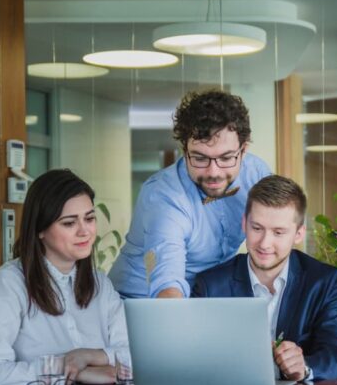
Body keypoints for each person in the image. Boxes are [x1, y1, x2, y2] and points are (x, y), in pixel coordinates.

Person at [0, 169, 129, 385]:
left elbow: (134, 355)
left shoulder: (100, 284)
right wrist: (69, 370)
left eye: (89, 218)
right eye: (69, 223)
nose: (84, 231)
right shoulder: (8, 284)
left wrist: (90, 356)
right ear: (40, 230)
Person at [109, 89, 271, 299]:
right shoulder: (164, 196)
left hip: (203, 297)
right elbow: (167, 283)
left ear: (244, 150)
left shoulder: (256, 174)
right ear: (184, 150)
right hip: (139, 303)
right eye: (200, 158)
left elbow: (278, 234)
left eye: (226, 158)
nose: (214, 172)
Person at [192, 175, 337, 381]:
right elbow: (195, 359)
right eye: (257, 228)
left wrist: (304, 367)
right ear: (244, 224)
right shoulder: (209, 285)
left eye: (278, 232)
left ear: (299, 234)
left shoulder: (324, 281)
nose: (264, 243)